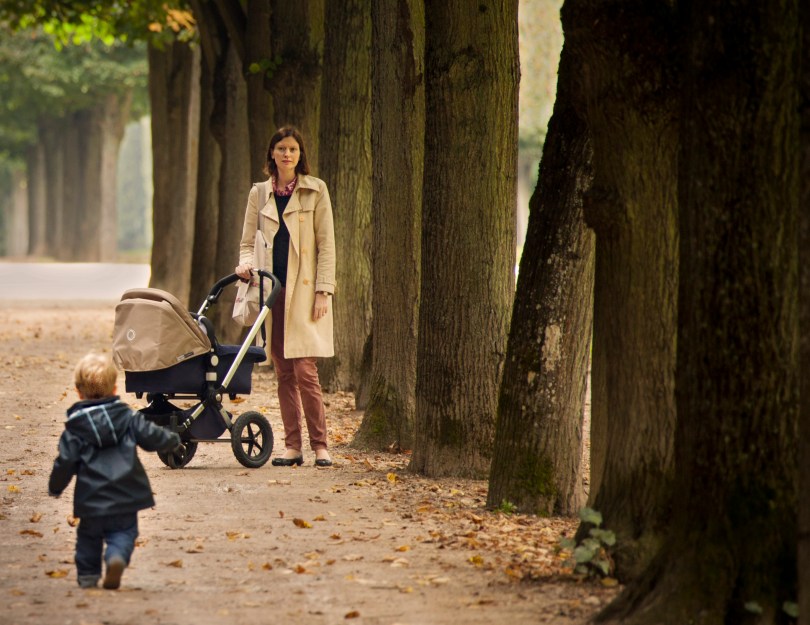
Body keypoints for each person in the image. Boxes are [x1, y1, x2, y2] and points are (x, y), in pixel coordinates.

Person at [235, 125, 336, 468]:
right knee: (282, 370)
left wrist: (324, 290)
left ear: (300, 154)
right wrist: (245, 265)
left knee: (305, 369)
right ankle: (293, 446)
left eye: (293, 149)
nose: (287, 154)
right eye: (281, 149)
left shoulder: (315, 190)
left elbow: (327, 246)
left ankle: (320, 446)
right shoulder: (259, 193)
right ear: (272, 154)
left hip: (305, 294)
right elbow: (247, 242)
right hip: (272, 292)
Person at [48, 352, 181, 590]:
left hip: (91, 499)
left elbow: (65, 461)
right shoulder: (128, 418)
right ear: (115, 389)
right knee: (124, 532)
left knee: (88, 538)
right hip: (126, 495)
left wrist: (56, 486)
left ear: (78, 392)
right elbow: (152, 437)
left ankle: (88, 575)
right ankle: (116, 557)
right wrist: (172, 440)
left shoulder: (75, 429)